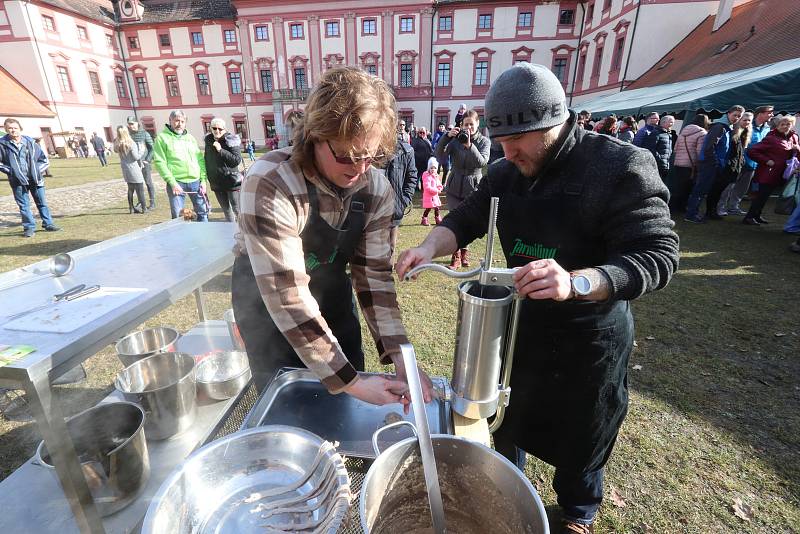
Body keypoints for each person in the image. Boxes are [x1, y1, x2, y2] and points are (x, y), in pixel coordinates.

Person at [397, 63, 679, 534]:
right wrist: (429, 245)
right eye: (501, 143)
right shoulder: (507, 172)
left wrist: (579, 282)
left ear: (553, 123)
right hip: (521, 326)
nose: (506, 154)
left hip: (589, 335)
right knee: (510, 416)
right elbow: (467, 216)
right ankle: (509, 492)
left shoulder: (620, 166)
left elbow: (658, 253)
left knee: (582, 433)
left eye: (517, 142)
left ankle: (578, 512)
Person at [231, 66, 433, 405]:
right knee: (290, 404)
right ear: (315, 134)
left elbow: (374, 278)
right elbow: (286, 295)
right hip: (269, 309)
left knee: (344, 403)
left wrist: (401, 357)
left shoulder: (375, 188)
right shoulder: (271, 182)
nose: (359, 169)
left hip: (331, 292)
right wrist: (351, 383)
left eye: (369, 157)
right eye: (347, 156)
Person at [433, 108, 490, 269]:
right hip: (454, 187)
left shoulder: (484, 141)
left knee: (468, 222)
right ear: (461, 125)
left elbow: (482, 162)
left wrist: (469, 145)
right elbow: (439, 155)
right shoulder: (456, 140)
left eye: (471, 124)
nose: (469, 128)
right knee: (456, 220)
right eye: (466, 125)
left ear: (478, 124)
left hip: (473, 188)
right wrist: (446, 137)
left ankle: (464, 252)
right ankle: (456, 255)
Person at [0, 118, 61, 237]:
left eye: (15, 128)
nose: (13, 130)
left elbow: (44, 160)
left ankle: (48, 224)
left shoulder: (31, 142)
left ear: (20, 128)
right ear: (6, 129)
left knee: (42, 202)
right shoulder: (2, 144)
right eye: (10, 128)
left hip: (35, 179)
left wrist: (37, 171)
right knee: (24, 205)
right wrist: (11, 171)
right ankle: (29, 227)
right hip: (17, 180)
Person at [684, 105, 744, 223]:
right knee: (700, 190)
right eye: (734, 115)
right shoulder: (719, 127)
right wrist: (715, 162)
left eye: (739, 116)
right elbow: (709, 147)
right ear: (728, 113)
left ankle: (694, 213)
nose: (736, 118)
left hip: (713, 164)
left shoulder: (727, 128)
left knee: (703, 190)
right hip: (709, 164)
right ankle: (691, 215)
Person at [742, 115, 799, 225]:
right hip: (768, 173)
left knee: (766, 196)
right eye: (782, 124)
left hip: (784, 173)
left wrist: (797, 149)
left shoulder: (794, 137)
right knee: (761, 196)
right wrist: (767, 160)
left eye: (788, 124)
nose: (785, 126)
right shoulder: (771, 138)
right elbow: (752, 151)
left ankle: (757, 216)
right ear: (777, 126)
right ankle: (749, 217)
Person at [153, 109, 209, 222]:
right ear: (170, 121)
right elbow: (160, 162)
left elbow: (200, 160)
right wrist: (172, 183)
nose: (179, 124)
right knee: (178, 217)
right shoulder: (162, 138)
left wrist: (203, 180)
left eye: (182, 121)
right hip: (177, 183)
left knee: (203, 213)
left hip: (195, 182)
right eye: (176, 121)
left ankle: (205, 237)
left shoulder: (190, 138)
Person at [718, 105, 773, 215]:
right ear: (760, 114)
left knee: (742, 188)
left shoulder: (766, 128)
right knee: (728, 187)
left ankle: (734, 207)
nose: (772, 115)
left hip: (752, 164)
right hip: (737, 163)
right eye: (769, 112)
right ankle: (721, 207)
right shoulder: (740, 127)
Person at [385, 123, 419, 256]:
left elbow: (412, 177)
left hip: (394, 207)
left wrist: (403, 200)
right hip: (372, 209)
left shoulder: (406, 151)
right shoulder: (371, 149)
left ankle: (386, 272)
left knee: (390, 246)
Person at [204, 118, 243, 222]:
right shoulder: (208, 141)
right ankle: (230, 231)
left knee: (237, 209)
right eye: (214, 128)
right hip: (216, 181)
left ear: (224, 129)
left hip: (231, 180)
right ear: (211, 129)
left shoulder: (231, 140)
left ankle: (243, 231)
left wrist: (220, 150)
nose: (217, 131)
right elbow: (207, 160)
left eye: (220, 128)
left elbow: (236, 160)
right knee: (226, 210)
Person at [714, 113, 752, 217]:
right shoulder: (732, 132)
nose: (747, 122)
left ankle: (726, 207)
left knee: (731, 188)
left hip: (737, 165)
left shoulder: (745, 133)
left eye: (749, 120)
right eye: (745, 120)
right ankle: (719, 208)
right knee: (725, 189)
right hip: (729, 165)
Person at [670, 114, 709, 212]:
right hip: (691, 164)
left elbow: (675, 149)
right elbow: (700, 152)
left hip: (678, 162)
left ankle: (673, 207)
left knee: (679, 186)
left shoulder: (683, 132)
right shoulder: (702, 133)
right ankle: (681, 208)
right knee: (687, 188)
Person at [113, 125, 147, 214]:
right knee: (140, 189)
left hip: (125, 168)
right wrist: (142, 151)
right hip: (133, 168)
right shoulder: (131, 143)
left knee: (130, 189)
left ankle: (131, 208)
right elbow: (136, 157)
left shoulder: (118, 143)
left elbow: (115, 150)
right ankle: (144, 208)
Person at [127, 116, 156, 210]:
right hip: (134, 164)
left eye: (132, 124)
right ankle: (140, 201)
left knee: (148, 182)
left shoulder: (144, 134)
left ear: (137, 123)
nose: (131, 126)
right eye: (129, 124)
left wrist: (147, 160)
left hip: (144, 162)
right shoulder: (128, 136)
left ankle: (152, 202)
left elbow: (152, 148)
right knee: (137, 184)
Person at [641, 115, 674, 180]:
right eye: (670, 122)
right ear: (663, 122)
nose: (672, 124)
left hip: (664, 165)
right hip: (656, 165)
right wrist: (660, 160)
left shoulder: (668, 135)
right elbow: (650, 148)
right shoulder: (656, 133)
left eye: (672, 122)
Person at [420, 156, 443, 226]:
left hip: (435, 196)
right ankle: (424, 218)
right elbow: (427, 187)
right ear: (428, 168)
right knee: (428, 208)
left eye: (435, 168)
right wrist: (436, 190)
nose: (433, 169)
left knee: (437, 208)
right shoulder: (427, 177)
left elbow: (439, 184)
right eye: (431, 168)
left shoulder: (436, 176)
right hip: (429, 196)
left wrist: (440, 188)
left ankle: (437, 218)